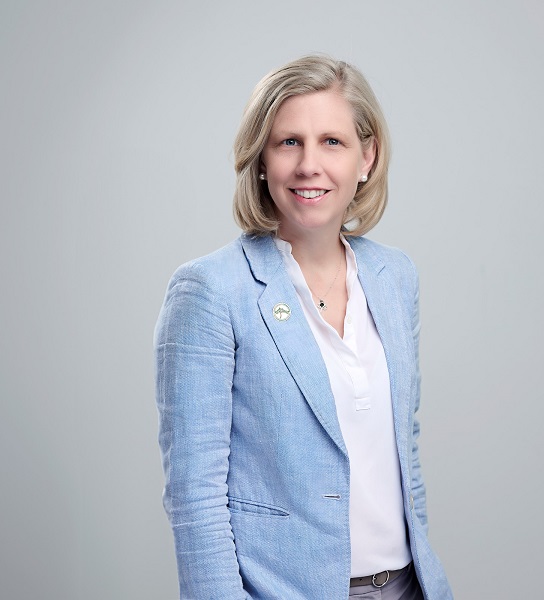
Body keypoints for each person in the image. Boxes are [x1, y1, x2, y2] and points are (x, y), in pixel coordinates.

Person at [154, 55, 453, 600]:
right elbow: (194, 495)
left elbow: (400, 448)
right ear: (261, 161)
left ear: (368, 156)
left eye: (332, 142)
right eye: (289, 142)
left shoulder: (394, 277)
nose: (309, 164)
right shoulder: (212, 291)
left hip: (410, 586)